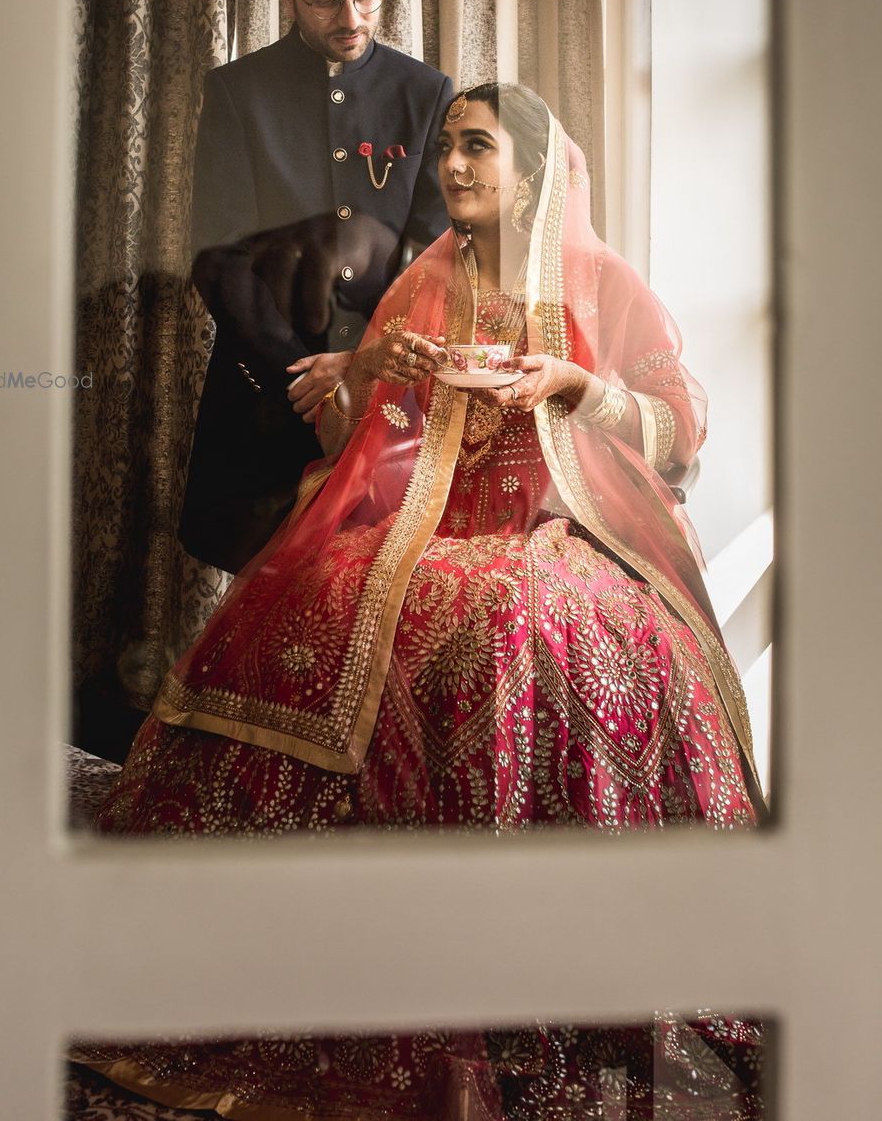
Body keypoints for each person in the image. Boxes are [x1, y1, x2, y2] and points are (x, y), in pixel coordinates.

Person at [78, 83, 765, 1118]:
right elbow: (370, 442)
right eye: (446, 147)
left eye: (477, 147)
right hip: (429, 522)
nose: (452, 166)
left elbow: (679, 425)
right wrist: (363, 374)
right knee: (318, 590)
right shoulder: (430, 277)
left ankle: (515, 952)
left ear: (529, 172)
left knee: (508, 614)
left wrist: (570, 384)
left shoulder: (602, 280)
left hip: (564, 527)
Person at [180, 0, 453, 574]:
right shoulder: (238, 92)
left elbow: (437, 254)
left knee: (381, 599)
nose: (351, 18)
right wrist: (303, 378)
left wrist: (364, 361)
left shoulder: (427, 94)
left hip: (391, 399)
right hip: (268, 398)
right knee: (266, 604)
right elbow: (218, 257)